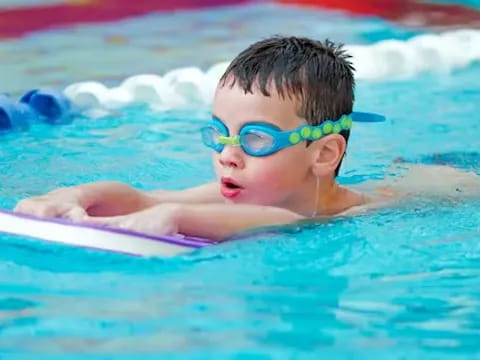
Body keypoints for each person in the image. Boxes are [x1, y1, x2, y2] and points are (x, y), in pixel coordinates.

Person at [13, 36, 480, 241]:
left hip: (452, 187)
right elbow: (146, 196)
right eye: (219, 136)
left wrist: (175, 218)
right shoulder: (242, 186)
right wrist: (72, 196)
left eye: (255, 139)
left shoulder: (330, 213)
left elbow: (275, 221)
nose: (227, 158)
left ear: (323, 153)